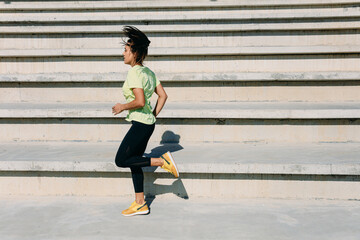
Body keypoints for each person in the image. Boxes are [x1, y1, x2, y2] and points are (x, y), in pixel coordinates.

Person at [112, 26, 179, 217]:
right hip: (147, 123)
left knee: (121, 160)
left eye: (125, 50)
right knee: (135, 162)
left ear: (135, 53)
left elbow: (140, 101)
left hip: (141, 124)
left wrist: (122, 107)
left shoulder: (134, 73)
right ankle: (140, 203)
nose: (123, 53)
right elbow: (163, 96)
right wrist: (152, 116)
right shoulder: (149, 72)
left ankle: (162, 161)